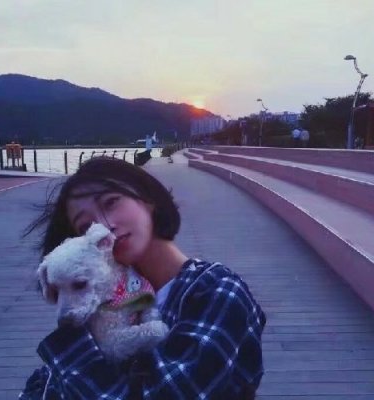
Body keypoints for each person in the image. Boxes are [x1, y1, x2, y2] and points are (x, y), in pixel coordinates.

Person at [20, 156, 266, 399]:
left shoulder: (217, 291)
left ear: (147, 199)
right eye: (86, 226)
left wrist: (69, 348)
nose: (105, 226)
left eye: (111, 202)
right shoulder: (99, 308)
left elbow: (169, 393)